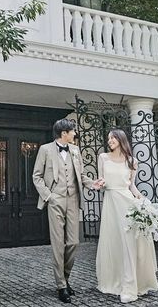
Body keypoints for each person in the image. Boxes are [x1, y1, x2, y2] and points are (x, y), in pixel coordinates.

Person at [32, 118, 104, 304]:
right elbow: (37, 176)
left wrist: (93, 184)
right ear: (64, 133)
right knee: (58, 244)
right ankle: (61, 285)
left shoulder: (75, 150)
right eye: (72, 131)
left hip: (73, 199)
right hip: (55, 199)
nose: (75, 134)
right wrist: (49, 196)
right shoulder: (45, 150)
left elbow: (80, 175)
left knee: (73, 242)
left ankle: (65, 277)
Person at [96, 128, 158, 303]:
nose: (109, 141)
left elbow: (132, 186)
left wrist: (143, 201)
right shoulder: (103, 157)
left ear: (121, 139)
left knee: (129, 242)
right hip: (111, 203)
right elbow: (101, 181)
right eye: (108, 138)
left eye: (113, 138)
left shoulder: (132, 161)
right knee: (113, 241)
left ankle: (130, 286)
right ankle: (114, 281)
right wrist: (99, 184)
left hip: (127, 204)